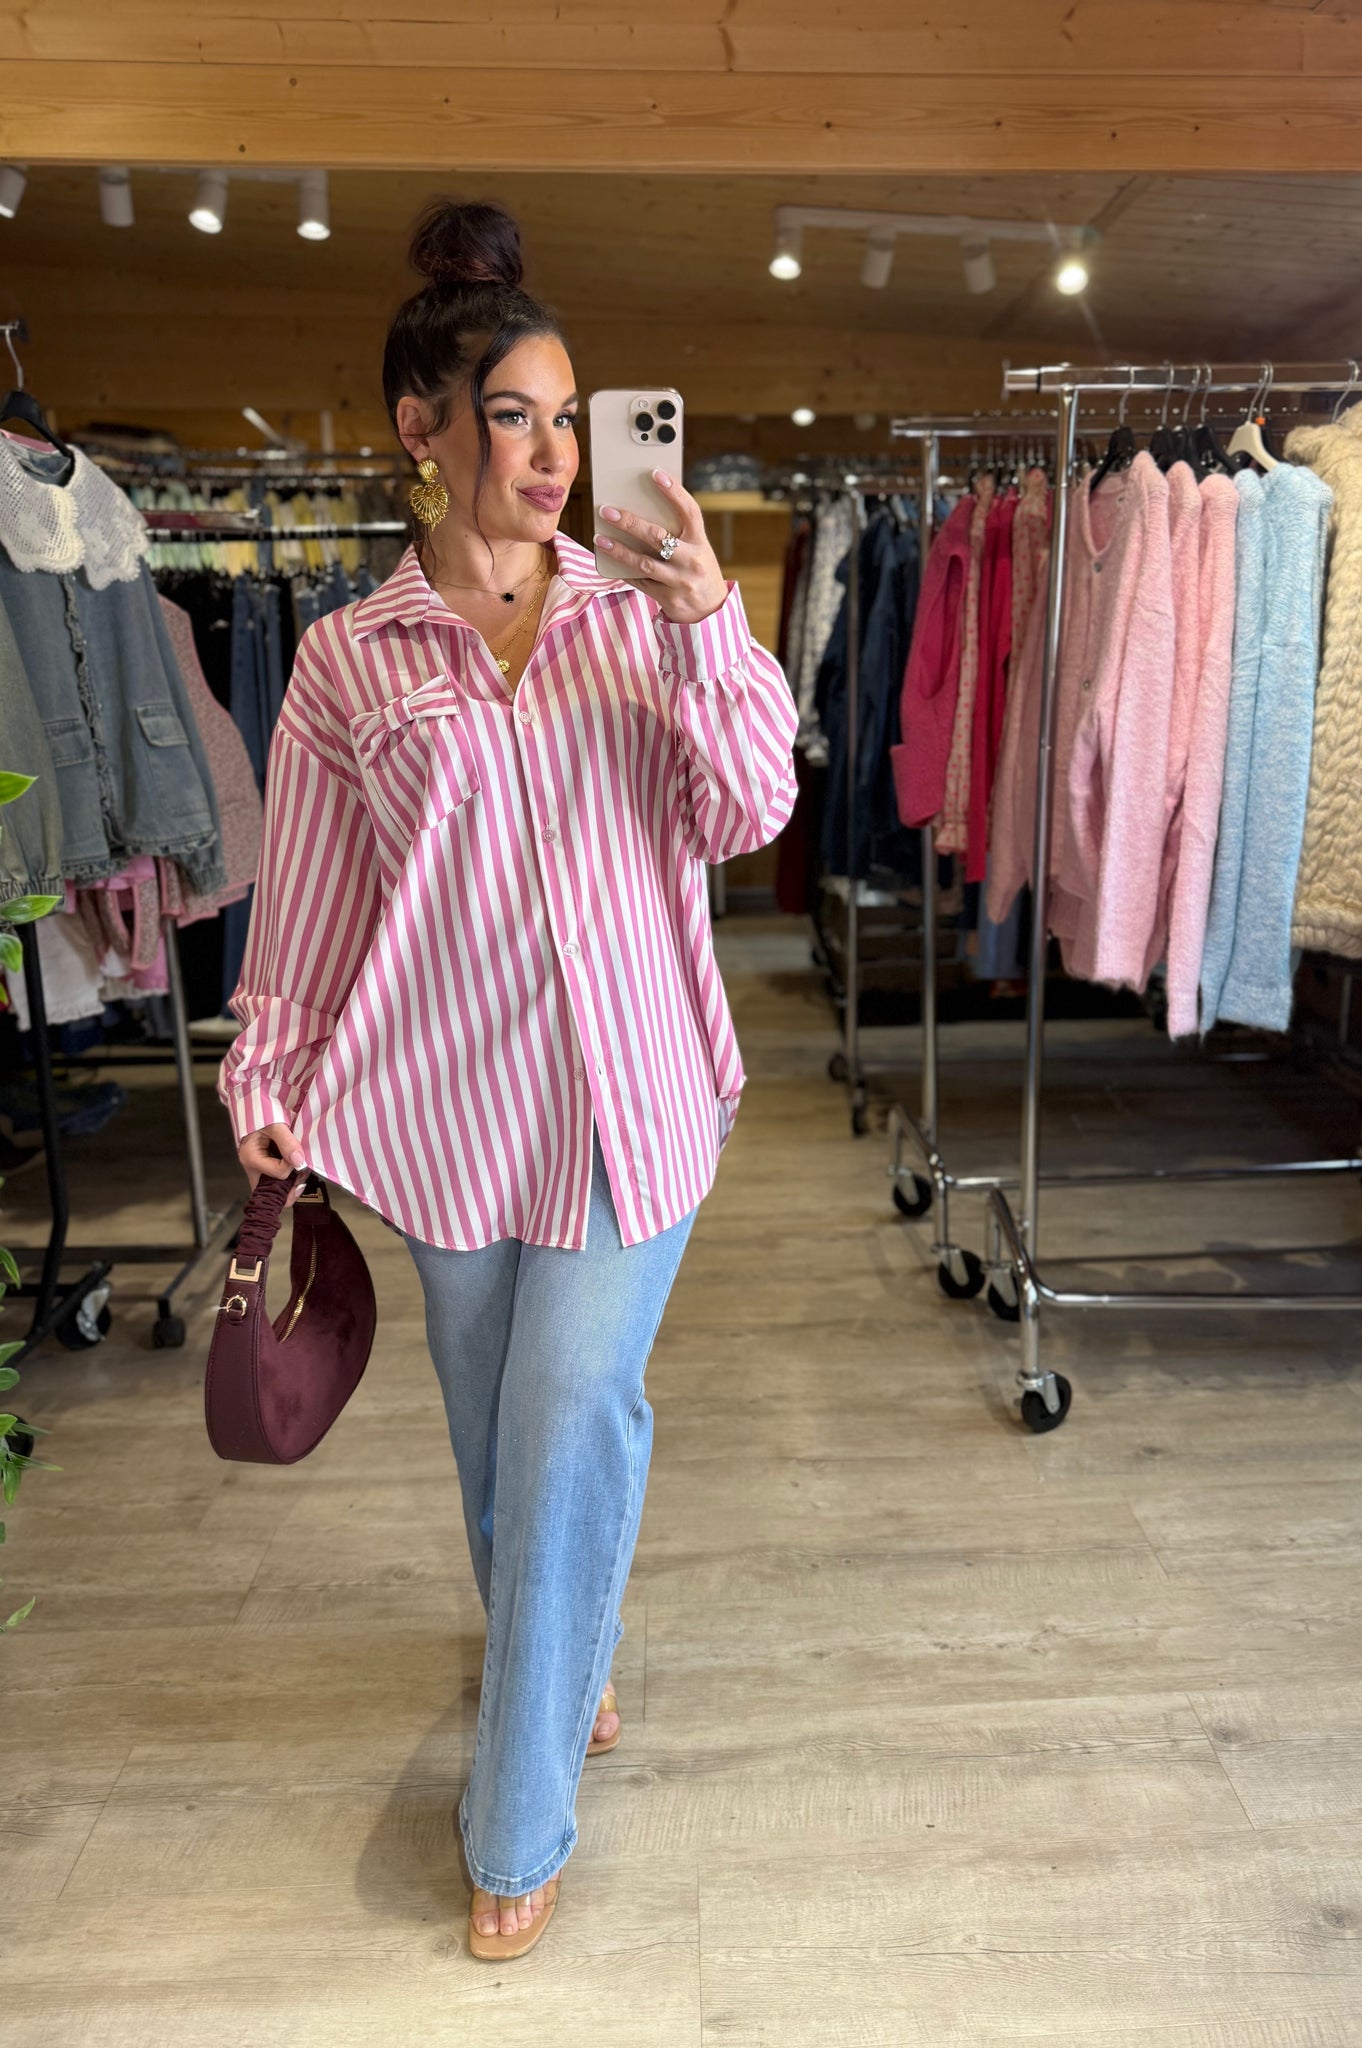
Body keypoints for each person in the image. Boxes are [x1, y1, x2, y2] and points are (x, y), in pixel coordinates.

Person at [218, 198, 797, 1960]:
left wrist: (710, 623)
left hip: (637, 1102)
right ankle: (569, 1647)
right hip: (450, 1115)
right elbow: (314, 895)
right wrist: (271, 1068)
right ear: (423, 428)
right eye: (515, 418)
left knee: (565, 1413)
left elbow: (747, 812)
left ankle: (515, 1812)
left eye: (570, 419)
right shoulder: (350, 661)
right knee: (493, 1437)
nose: (553, 455)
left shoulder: (640, 619)